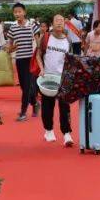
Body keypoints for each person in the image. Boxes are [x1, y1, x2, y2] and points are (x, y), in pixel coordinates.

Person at [37, 15, 74, 146]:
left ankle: (67, 134)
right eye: (57, 21)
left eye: (61, 21)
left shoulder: (68, 40)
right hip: (47, 78)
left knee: (65, 107)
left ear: (64, 24)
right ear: (52, 23)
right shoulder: (46, 37)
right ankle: (49, 130)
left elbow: (70, 59)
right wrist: (41, 69)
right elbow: (38, 55)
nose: (59, 23)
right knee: (48, 106)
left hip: (62, 78)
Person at [7, 3, 41, 121]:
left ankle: (23, 112)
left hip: (30, 60)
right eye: (15, 12)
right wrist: (12, 48)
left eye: (19, 11)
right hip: (19, 60)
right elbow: (9, 47)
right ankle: (35, 103)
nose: (17, 14)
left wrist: (39, 56)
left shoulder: (32, 26)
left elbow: (39, 43)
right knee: (23, 86)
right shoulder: (13, 27)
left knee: (27, 87)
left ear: (24, 12)